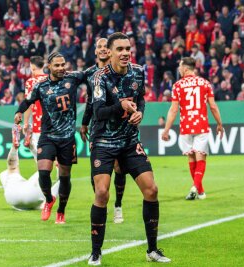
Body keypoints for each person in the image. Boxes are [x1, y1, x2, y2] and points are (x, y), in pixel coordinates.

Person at [88, 32, 170, 265]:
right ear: (110, 52)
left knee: (151, 190)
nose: (125, 53)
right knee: (102, 193)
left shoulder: (137, 71)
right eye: (120, 49)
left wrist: (140, 112)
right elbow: (98, 112)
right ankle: (96, 252)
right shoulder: (99, 77)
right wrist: (120, 105)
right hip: (103, 141)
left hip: (129, 141)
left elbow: (141, 98)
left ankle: (152, 250)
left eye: (128, 49)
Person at [14, 52, 85, 224]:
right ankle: (48, 199)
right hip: (48, 136)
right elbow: (28, 101)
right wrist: (19, 112)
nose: (61, 68)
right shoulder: (41, 86)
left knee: (64, 177)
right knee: (43, 172)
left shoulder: (73, 79)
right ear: (49, 67)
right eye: (57, 65)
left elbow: (93, 72)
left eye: (63, 65)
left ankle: (61, 210)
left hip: (67, 138)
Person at [162, 57, 224, 200]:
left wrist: (166, 130)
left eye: (180, 66)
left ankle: (198, 191)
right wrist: (219, 124)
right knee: (201, 157)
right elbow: (213, 106)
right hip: (201, 125)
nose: (178, 69)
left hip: (186, 126)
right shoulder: (204, 83)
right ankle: (197, 188)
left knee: (191, 158)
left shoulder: (177, 86)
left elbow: (173, 110)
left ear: (185, 68)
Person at [80, 38, 126, 224]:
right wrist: (84, 123)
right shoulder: (91, 73)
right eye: (99, 47)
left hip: (120, 127)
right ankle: (102, 203)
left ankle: (118, 205)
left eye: (106, 46)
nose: (103, 49)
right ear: (96, 52)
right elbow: (91, 101)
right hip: (98, 128)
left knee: (119, 168)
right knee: (96, 173)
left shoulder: (121, 71)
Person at [0, 128, 59, 211]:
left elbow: (11, 166)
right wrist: (59, 168)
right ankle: (30, 146)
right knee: (45, 170)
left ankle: (14, 147)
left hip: (12, 197)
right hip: (32, 196)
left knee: (9, 170)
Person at [22, 56, 48, 160]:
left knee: (39, 155)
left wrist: (26, 123)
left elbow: (28, 105)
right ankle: (60, 176)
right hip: (53, 124)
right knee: (54, 154)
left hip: (39, 125)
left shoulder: (31, 82)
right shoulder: (51, 79)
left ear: (32, 67)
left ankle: (41, 175)